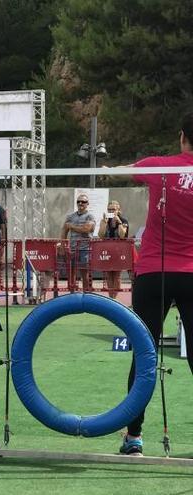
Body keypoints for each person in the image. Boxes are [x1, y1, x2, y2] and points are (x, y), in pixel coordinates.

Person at [119, 112, 193, 457]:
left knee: (144, 352)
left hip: (154, 273)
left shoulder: (158, 166)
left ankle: (133, 438)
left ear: (182, 137)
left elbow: (120, 172)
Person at [61, 194, 96, 292]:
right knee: (71, 272)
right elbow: (64, 230)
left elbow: (87, 229)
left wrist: (71, 226)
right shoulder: (70, 216)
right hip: (72, 248)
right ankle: (72, 293)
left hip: (85, 248)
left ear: (87, 204)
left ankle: (87, 293)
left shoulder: (90, 216)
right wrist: (63, 245)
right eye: (78, 201)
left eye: (83, 202)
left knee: (85, 272)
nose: (80, 203)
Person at [98, 200, 130, 298]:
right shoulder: (105, 221)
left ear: (118, 210)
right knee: (108, 275)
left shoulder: (123, 221)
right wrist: (104, 223)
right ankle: (110, 296)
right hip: (107, 250)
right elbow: (101, 235)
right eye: (109, 209)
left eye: (113, 209)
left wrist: (119, 222)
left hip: (119, 251)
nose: (111, 211)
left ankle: (114, 298)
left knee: (116, 275)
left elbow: (122, 235)